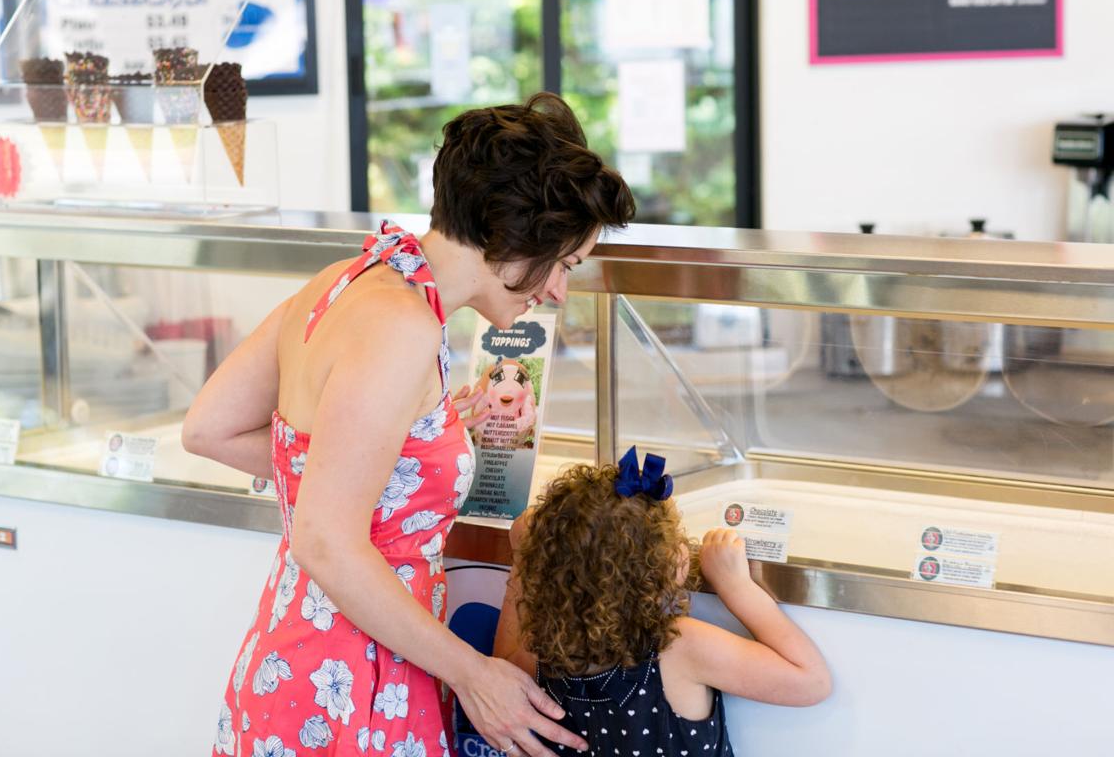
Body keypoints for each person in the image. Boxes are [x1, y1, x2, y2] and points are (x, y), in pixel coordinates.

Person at [182, 92, 635, 757]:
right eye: (564, 264)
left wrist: (389, 455)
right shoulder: (403, 328)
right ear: (512, 233)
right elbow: (326, 540)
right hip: (354, 683)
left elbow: (211, 429)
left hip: (295, 665)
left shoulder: (347, 279)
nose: (559, 291)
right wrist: (475, 675)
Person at [493, 451, 832, 756]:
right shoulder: (679, 647)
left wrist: (524, 558)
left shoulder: (541, 650)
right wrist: (736, 588)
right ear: (661, 575)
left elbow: (500, 667)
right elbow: (810, 681)